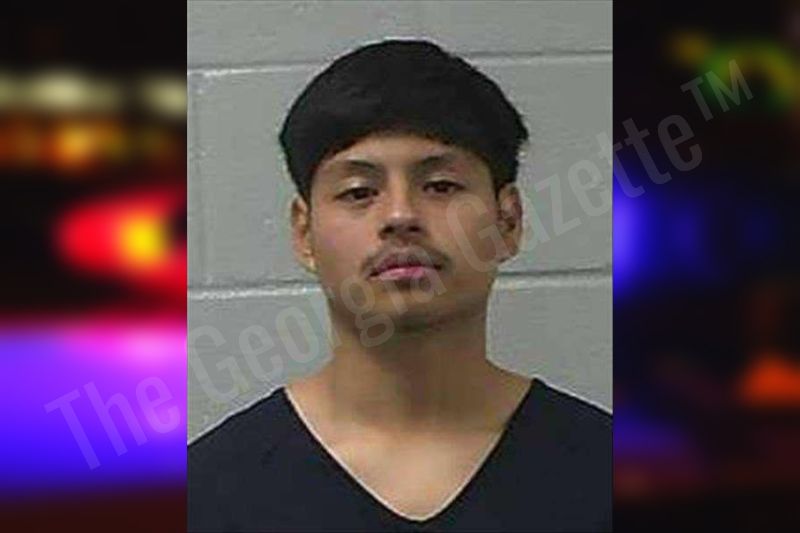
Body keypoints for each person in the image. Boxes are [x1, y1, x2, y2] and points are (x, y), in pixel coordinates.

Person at [188, 39, 611, 532]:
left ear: (508, 221)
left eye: (441, 186)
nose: (400, 215)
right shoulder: (208, 492)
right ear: (304, 233)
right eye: (358, 192)